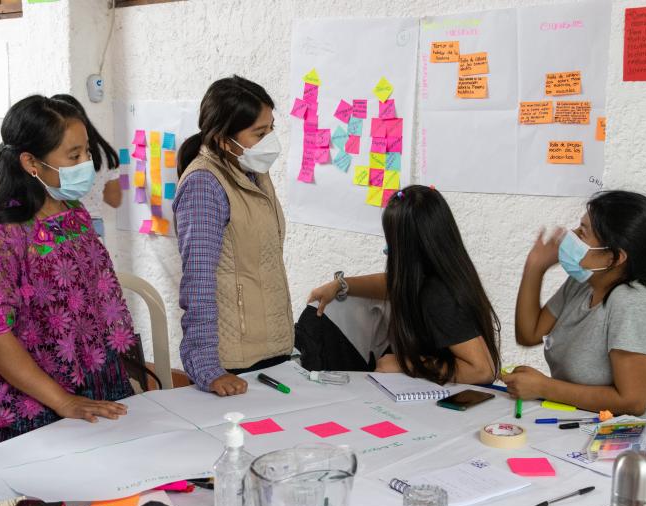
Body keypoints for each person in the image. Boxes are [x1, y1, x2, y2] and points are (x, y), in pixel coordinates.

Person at [0, 95, 135, 446]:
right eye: (74, 155)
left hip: (95, 389)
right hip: (36, 412)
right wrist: (63, 400)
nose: (86, 164)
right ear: (31, 162)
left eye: (87, 153)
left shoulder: (71, 213)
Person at [504, 190, 646, 418]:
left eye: (583, 232)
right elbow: (529, 334)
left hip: (627, 440)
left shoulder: (632, 304)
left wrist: (544, 387)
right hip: (577, 428)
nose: (571, 236)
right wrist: (535, 267)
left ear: (614, 258)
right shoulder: (583, 283)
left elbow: (633, 402)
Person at [306, 185, 501, 385]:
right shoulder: (441, 273)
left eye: (391, 241)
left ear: (407, 249)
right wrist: (341, 284)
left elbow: (483, 371)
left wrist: (405, 365)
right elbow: (393, 284)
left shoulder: (439, 296)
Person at [173, 76, 293, 397]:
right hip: (230, 362)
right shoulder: (204, 186)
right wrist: (208, 368)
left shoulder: (253, 172)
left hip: (269, 350)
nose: (271, 139)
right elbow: (198, 281)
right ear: (225, 139)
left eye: (271, 128)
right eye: (259, 132)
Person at [51, 94, 122, 231]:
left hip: (73, 225)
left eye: (87, 152)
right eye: (74, 156)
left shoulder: (102, 153)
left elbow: (115, 200)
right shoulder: (105, 153)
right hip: (91, 224)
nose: (84, 162)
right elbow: (114, 199)